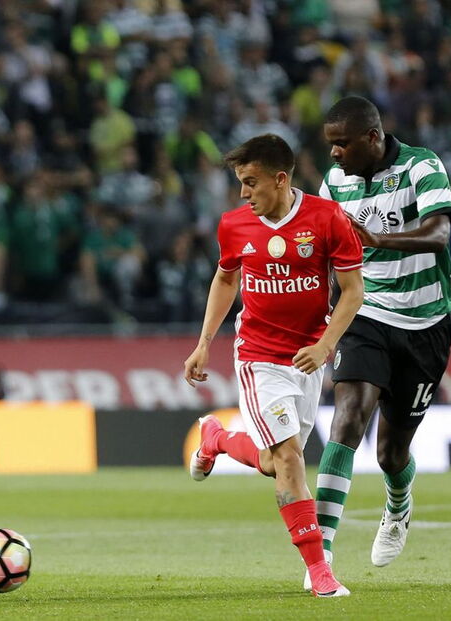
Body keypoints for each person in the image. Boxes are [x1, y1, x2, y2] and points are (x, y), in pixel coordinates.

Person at [183, 134, 364, 598]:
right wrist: (204, 343)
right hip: (258, 356)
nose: (243, 193)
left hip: (307, 359)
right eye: (240, 183)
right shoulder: (234, 226)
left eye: (250, 182)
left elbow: (352, 290)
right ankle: (320, 570)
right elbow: (226, 278)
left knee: (274, 462)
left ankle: (218, 439)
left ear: (280, 179)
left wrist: (325, 345)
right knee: (288, 459)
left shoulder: (327, 220)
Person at [312, 96, 451, 572]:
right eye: (330, 144)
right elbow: (328, 256)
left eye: (342, 144)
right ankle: (320, 555)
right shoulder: (334, 182)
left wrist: (377, 239)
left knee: (391, 453)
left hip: (424, 323)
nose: (334, 154)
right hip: (366, 312)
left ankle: (397, 504)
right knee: (347, 418)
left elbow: (439, 234)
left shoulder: (421, 166)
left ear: (372, 138)